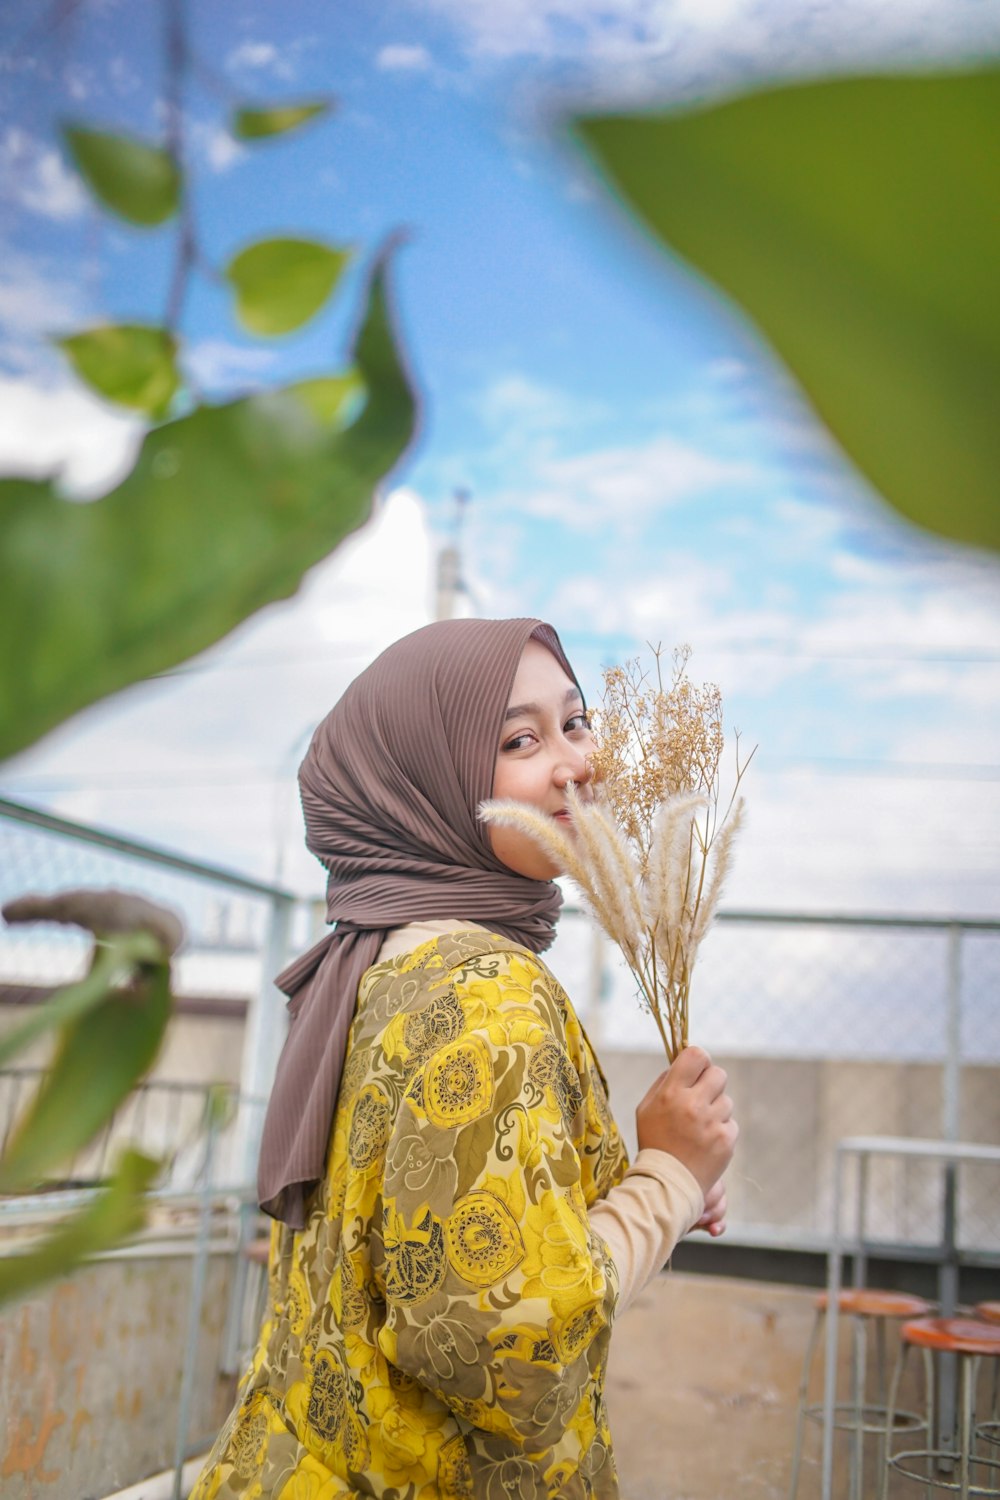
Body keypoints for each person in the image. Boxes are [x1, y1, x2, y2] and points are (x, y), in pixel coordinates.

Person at [190, 617, 737, 1500]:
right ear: (423, 778)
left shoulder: (371, 965)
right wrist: (671, 1175)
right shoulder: (489, 992)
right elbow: (511, 1347)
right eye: (521, 738)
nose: (577, 763)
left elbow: (422, 1239)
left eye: (576, 722)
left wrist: (648, 1194)